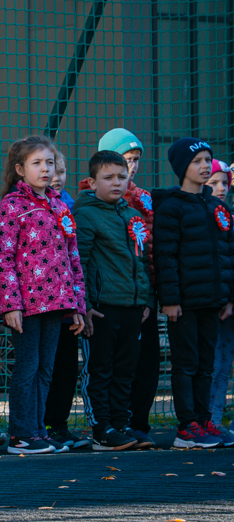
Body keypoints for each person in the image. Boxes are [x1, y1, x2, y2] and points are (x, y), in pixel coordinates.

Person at [0, 135, 89, 455]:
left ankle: (38, 429)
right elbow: (2, 258)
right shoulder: (11, 207)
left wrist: (77, 304)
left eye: (49, 163)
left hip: (58, 303)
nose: (45, 169)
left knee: (47, 368)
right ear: (20, 169)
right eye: (37, 163)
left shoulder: (61, 205)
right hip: (27, 306)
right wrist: (10, 305)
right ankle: (21, 433)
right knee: (27, 367)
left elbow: (73, 257)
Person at [153, 137, 234, 448]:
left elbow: (228, 252)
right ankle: (187, 427)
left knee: (206, 364)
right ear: (181, 167)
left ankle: (204, 421)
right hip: (184, 304)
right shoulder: (172, 207)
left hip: (212, 302)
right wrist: (170, 300)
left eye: (207, 160)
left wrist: (229, 297)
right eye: (198, 161)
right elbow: (165, 256)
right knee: (186, 364)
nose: (204, 167)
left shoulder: (216, 206)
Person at [74, 150, 156, 451]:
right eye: (108, 178)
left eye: (122, 177)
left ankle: (122, 424)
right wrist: (84, 305)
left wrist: (145, 298)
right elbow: (78, 261)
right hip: (102, 309)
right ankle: (101, 428)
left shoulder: (132, 215)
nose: (117, 183)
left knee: (126, 370)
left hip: (133, 307)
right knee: (100, 369)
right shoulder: (85, 214)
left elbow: (141, 261)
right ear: (92, 182)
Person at [99, 128, 161, 442]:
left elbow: (146, 255)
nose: (132, 167)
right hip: (110, 299)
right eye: (126, 159)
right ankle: (108, 425)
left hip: (141, 296)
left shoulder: (142, 201)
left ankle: (137, 424)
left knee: (146, 361)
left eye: (136, 160)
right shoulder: (93, 204)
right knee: (110, 365)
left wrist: (148, 296)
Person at [39, 150, 92, 450]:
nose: (55, 175)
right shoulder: (22, 207)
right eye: (47, 167)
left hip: (68, 306)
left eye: (59, 169)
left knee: (67, 369)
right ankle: (39, 424)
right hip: (41, 306)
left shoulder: (70, 208)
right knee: (43, 367)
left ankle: (59, 423)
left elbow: (76, 261)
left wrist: (80, 303)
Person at [206, 161, 234, 428]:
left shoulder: (229, 217)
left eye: (224, 183)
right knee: (211, 364)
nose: (221, 188)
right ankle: (207, 420)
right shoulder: (203, 216)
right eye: (214, 183)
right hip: (209, 304)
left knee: (224, 364)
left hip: (228, 305)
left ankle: (215, 418)